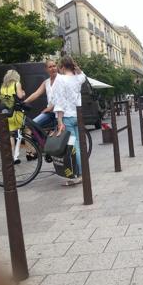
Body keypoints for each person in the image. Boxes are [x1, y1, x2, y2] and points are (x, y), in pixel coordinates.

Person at [51, 54, 86, 186]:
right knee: (80, 145)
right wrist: (77, 68)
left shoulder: (61, 79)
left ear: (62, 66)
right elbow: (83, 76)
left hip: (67, 117)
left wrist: (60, 121)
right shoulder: (78, 78)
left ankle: (81, 174)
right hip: (78, 116)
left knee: (73, 146)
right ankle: (82, 171)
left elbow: (59, 101)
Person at [23, 58, 59, 131]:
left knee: (60, 137)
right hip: (50, 113)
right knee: (30, 126)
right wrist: (23, 103)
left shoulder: (62, 79)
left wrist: (51, 107)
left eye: (54, 66)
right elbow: (36, 94)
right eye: (50, 67)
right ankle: (39, 141)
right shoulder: (46, 82)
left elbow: (63, 97)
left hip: (61, 113)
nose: (53, 68)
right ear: (46, 69)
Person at [0, 68, 25, 164]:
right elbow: (19, 96)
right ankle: (17, 156)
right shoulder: (16, 83)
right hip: (16, 112)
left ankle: (10, 157)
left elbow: (2, 98)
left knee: (10, 135)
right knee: (21, 133)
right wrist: (23, 93)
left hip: (6, 112)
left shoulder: (3, 86)